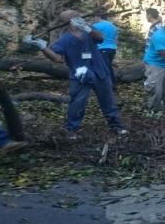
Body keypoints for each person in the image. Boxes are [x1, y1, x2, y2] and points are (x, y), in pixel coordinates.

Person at [23, 10, 127, 139]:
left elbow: (100, 39)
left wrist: (87, 29)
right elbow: (57, 58)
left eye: (77, 14)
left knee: (108, 101)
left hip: (100, 71)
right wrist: (42, 47)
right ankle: (72, 129)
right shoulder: (64, 39)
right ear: (66, 21)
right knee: (77, 103)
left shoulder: (88, 30)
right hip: (80, 76)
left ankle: (116, 127)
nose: (78, 16)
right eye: (73, 15)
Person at [92, 12, 118, 85]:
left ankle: (107, 85)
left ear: (97, 16)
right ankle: (112, 83)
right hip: (112, 49)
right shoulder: (113, 26)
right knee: (108, 66)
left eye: (94, 17)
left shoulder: (96, 26)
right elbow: (116, 39)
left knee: (103, 67)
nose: (94, 19)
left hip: (102, 48)